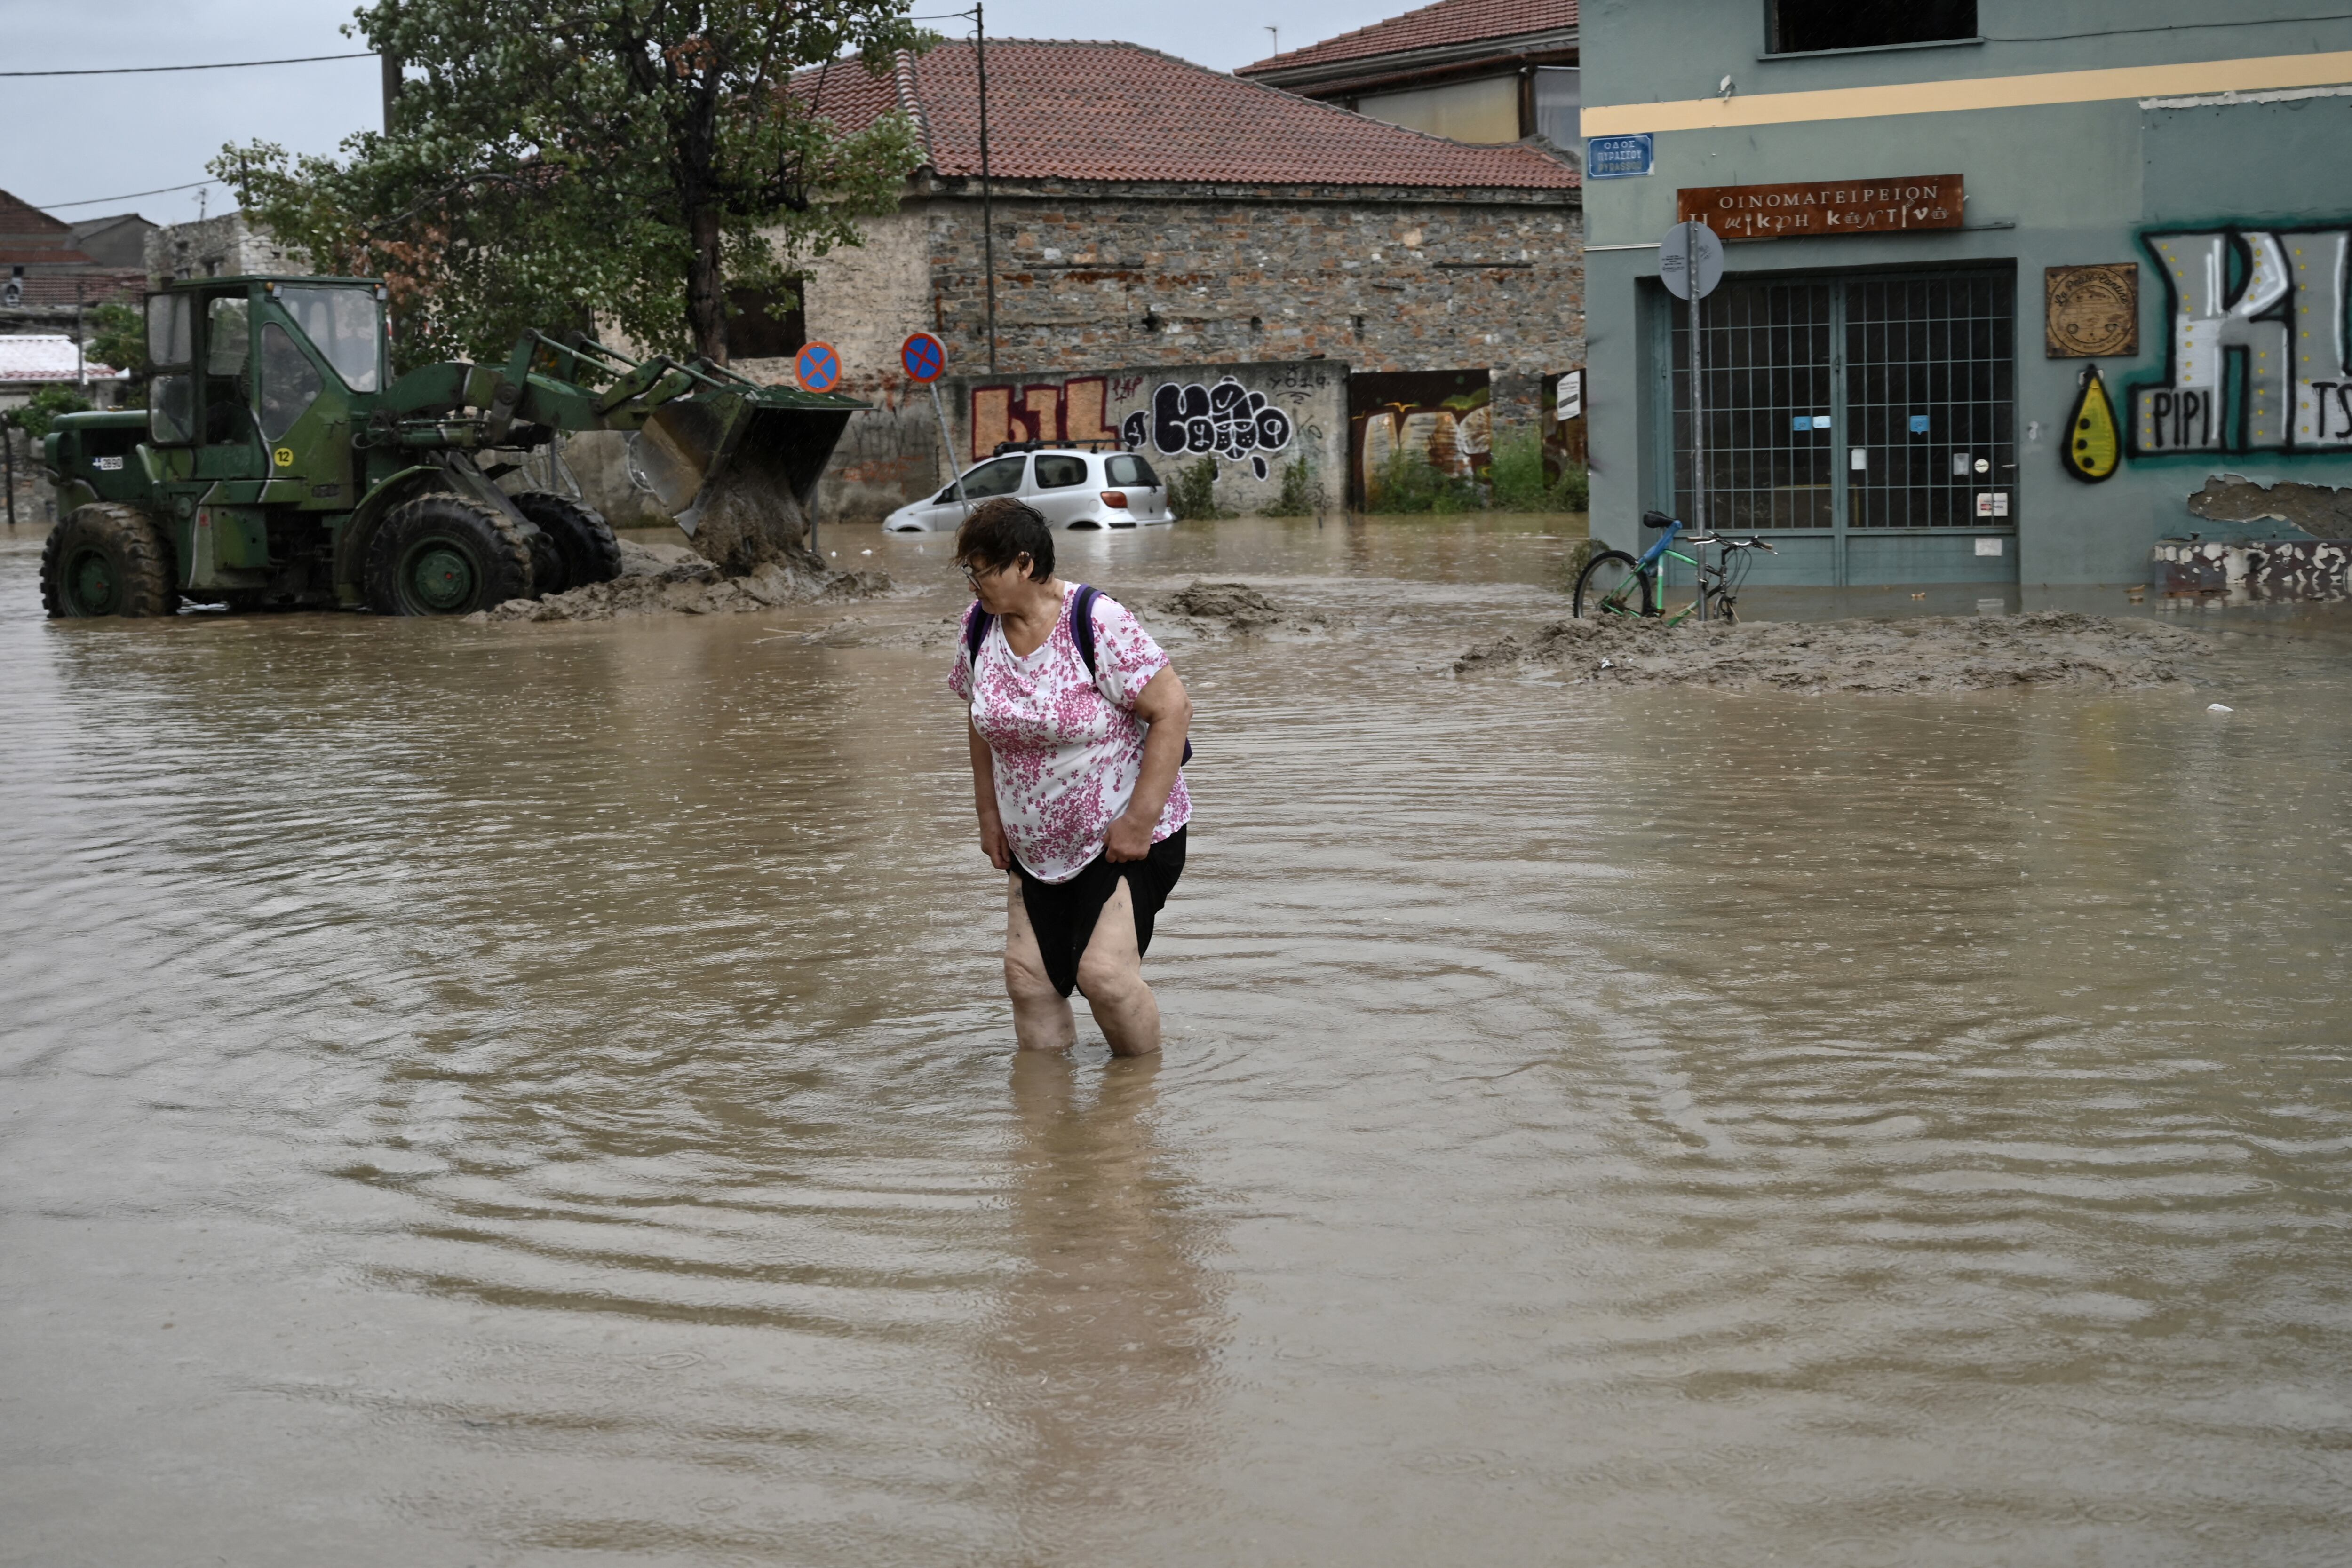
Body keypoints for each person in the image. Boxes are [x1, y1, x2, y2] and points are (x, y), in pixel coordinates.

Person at [949, 497, 1192, 1057]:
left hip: (1122, 838)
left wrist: (1138, 821)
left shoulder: (1096, 620)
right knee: (1028, 980)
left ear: (1025, 564)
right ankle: (1049, 1130)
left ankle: (1134, 1107)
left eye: (982, 570)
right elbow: (977, 715)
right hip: (1033, 843)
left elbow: (1173, 709)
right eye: (970, 570)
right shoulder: (977, 629)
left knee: (1103, 976)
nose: (973, 584)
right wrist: (987, 815)